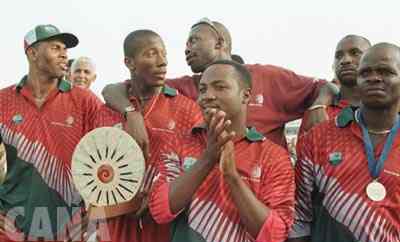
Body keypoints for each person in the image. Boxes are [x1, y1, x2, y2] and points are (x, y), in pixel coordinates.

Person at [101, 18, 338, 155]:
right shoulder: (186, 87)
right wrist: (131, 114)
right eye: (185, 44)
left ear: (220, 43)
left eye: (194, 40)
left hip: (265, 190)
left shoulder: (268, 77)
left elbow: (326, 86)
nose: (186, 49)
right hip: (211, 194)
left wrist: (318, 106)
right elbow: (114, 89)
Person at [149, 60, 295, 242]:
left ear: (246, 95)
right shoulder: (178, 143)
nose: (207, 96)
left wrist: (232, 176)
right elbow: (160, 210)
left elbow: (273, 236)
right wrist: (208, 158)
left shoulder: (273, 155)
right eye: (202, 89)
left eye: (220, 87)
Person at [93, 29, 202, 242]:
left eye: (164, 54)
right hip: (117, 223)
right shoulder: (106, 112)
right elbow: (93, 168)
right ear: (129, 62)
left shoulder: (187, 110)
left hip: (166, 226)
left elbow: (197, 171)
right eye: (151, 54)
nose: (162, 62)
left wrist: (158, 194)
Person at [284, 43, 400, 242]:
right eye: (365, 73)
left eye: (386, 72)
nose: (373, 77)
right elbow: (300, 216)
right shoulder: (319, 137)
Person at [0, 24, 102, 242]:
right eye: (56, 48)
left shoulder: (84, 101)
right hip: (11, 226)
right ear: (32, 53)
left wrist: (98, 209)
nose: (65, 54)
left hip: (65, 229)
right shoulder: (3, 100)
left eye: (65, 49)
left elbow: (109, 156)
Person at [298, 35, 371, 136]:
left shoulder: (388, 108)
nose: (345, 60)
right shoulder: (317, 113)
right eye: (338, 56)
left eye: (355, 53)